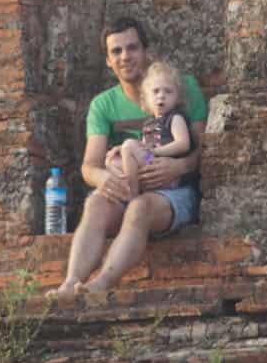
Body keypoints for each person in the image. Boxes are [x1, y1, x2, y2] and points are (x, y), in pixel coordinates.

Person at [47, 17, 207, 299]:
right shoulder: (103, 104)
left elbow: (206, 150)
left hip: (174, 191)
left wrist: (178, 165)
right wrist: (106, 178)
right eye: (116, 51)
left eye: (132, 48)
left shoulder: (181, 87)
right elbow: (89, 166)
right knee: (95, 202)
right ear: (108, 60)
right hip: (127, 187)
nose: (125, 57)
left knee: (140, 208)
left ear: (146, 52)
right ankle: (71, 283)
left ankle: (101, 284)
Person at [103, 60, 195, 205]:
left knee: (128, 144)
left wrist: (157, 152)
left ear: (177, 98)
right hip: (149, 167)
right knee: (112, 161)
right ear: (146, 98)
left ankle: (132, 195)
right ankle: (133, 187)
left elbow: (183, 144)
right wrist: (122, 150)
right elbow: (144, 146)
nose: (161, 96)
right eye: (156, 91)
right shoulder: (150, 122)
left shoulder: (175, 118)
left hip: (165, 173)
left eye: (168, 91)